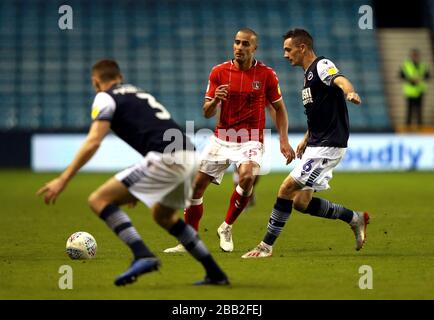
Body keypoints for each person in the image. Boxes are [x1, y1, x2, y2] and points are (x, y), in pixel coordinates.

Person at [37, 59, 229, 286]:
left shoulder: (105, 97)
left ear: (95, 81)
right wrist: (140, 187)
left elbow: (93, 142)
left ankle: (142, 255)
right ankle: (216, 274)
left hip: (165, 158)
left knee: (98, 199)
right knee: (163, 216)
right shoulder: (136, 92)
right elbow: (154, 131)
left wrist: (63, 178)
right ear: (120, 77)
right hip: (188, 155)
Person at [164, 28, 295, 253]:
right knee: (195, 187)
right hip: (221, 138)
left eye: (245, 44)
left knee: (246, 178)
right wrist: (215, 100)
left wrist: (283, 140)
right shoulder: (219, 72)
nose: (239, 47)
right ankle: (189, 241)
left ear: (254, 48)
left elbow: (279, 109)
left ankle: (226, 227)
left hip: (251, 138)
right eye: (237, 43)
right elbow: (206, 112)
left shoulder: (266, 75)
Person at [242, 28, 370, 259]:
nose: (285, 54)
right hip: (316, 143)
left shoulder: (322, 66)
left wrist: (350, 92)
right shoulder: (308, 75)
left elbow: (340, 80)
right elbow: (321, 112)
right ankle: (355, 218)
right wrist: (306, 138)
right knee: (301, 202)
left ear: (302, 48)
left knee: (286, 189)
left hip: (329, 145)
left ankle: (265, 246)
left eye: (288, 49)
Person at [400, 48, 430, 129]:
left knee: (419, 111)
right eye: (413, 55)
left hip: (420, 91)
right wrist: (410, 79)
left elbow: (428, 76)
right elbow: (401, 75)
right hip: (410, 91)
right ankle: (408, 128)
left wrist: (419, 78)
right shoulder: (406, 65)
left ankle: (420, 128)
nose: (415, 57)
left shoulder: (423, 65)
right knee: (409, 111)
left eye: (416, 55)